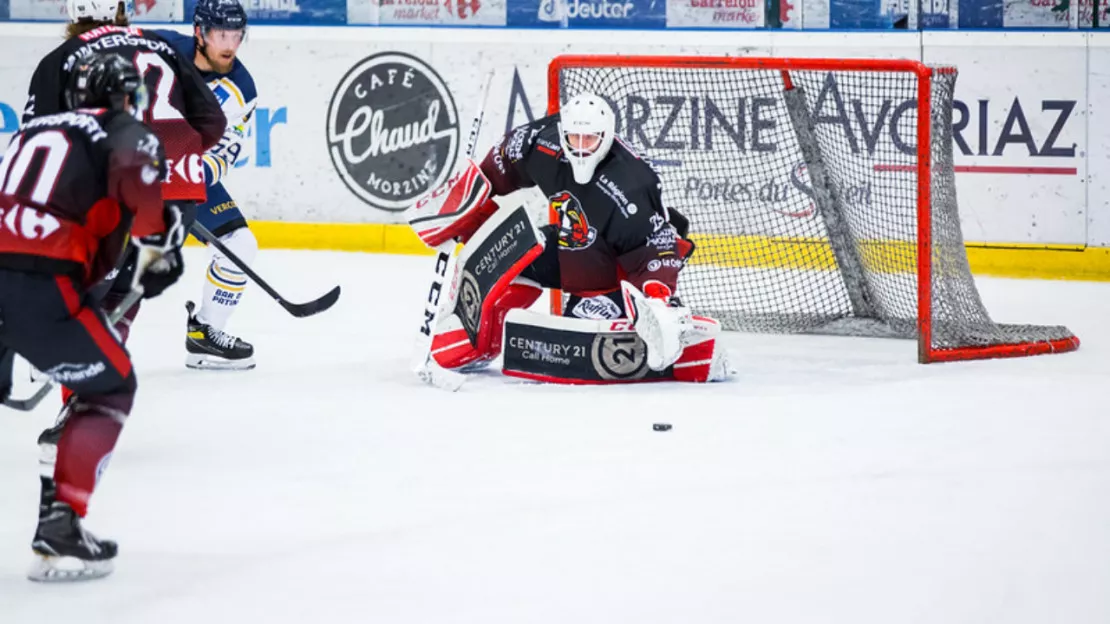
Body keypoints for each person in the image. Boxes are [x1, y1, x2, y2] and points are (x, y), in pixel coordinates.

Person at [0, 53, 184, 581]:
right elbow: (137, 181)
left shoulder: (33, 128)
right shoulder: (124, 130)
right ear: (130, 96)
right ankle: (60, 527)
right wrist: (158, 247)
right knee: (111, 387)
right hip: (40, 283)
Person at [406, 94, 728, 383]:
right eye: (574, 136)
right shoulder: (542, 144)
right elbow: (504, 159)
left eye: (590, 139)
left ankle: (669, 328)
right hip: (569, 247)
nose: (580, 145)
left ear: (606, 137)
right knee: (505, 247)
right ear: (562, 132)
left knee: (580, 330)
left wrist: (658, 298)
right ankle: (479, 335)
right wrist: (466, 200)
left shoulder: (630, 184)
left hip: (613, 272)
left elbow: (656, 249)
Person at [152, 0, 258, 370]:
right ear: (199, 33)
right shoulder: (160, 47)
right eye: (220, 34)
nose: (229, 44)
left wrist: (184, 180)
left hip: (184, 172)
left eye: (236, 35)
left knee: (240, 243)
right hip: (129, 164)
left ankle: (205, 334)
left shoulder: (241, 88)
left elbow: (223, 153)